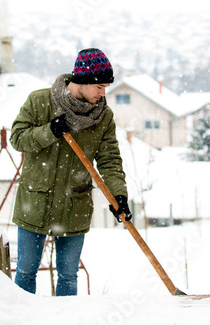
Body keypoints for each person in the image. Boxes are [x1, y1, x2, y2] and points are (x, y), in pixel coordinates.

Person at [9, 48, 132, 296]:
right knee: (25, 271)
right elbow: (17, 139)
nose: (103, 93)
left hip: (73, 205)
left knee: (68, 275)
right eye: (99, 86)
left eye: (106, 87)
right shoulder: (40, 101)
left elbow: (109, 160)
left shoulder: (103, 116)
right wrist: (49, 131)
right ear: (82, 81)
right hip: (35, 201)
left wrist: (118, 194)